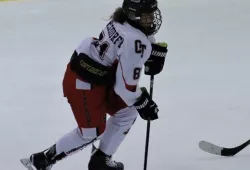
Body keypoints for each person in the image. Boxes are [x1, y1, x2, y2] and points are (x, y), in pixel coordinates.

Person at [20, 0, 168, 170]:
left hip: (95, 78)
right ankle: (42, 160)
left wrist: (152, 48)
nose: (151, 19)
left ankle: (101, 161)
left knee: (128, 111)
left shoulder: (121, 21)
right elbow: (124, 88)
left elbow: (134, 43)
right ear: (133, 15)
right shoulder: (136, 42)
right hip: (83, 84)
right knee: (91, 132)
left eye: (151, 13)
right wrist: (143, 102)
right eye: (145, 15)